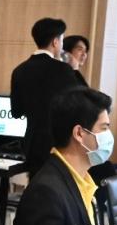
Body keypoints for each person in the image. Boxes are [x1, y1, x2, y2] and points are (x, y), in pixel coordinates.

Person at [13, 85, 112, 225]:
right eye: (104, 128)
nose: (109, 136)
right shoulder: (46, 191)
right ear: (79, 133)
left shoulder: (82, 180)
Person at [10, 18, 80, 175]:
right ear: (55, 42)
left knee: (36, 183)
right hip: (58, 144)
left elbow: (16, 112)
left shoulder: (19, 70)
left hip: (32, 143)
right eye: (61, 41)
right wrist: (75, 69)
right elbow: (80, 103)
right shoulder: (63, 70)